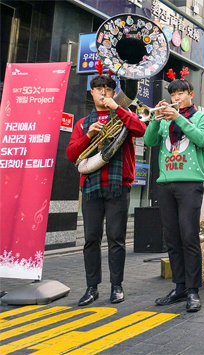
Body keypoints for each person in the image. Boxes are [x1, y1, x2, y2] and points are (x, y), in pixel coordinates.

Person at [66, 75, 147, 306]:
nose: (103, 93)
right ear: (91, 93)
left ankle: (117, 286)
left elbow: (140, 129)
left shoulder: (123, 116)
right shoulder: (82, 123)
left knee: (116, 238)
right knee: (91, 238)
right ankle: (92, 288)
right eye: (98, 89)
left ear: (113, 93)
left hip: (118, 185)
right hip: (91, 187)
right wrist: (89, 135)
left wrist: (118, 109)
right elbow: (72, 155)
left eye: (108, 89)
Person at [144, 74, 204, 312]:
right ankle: (180, 286)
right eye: (172, 94)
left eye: (180, 93)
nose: (176, 98)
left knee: (188, 236)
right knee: (172, 238)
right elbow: (149, 140)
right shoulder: (164, 121)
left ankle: (194, 290)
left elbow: (201, 139)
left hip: (190, 184)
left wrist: (179, 119)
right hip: (165, 184)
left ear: (190, 95)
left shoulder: (201, 117)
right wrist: (155, 118)